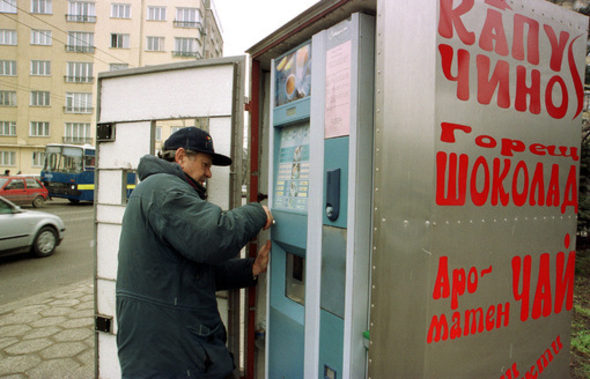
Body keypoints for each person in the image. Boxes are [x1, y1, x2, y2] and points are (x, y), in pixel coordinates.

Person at [116, 127, 273, 378]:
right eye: (205, 164)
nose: (209, 174)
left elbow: (188, 272)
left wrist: (250, 269)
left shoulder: (157, 189)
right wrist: (258, 212)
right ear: (180, 157)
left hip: (164, 345)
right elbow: (214, 236)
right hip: (170, 351)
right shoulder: (164, 190)